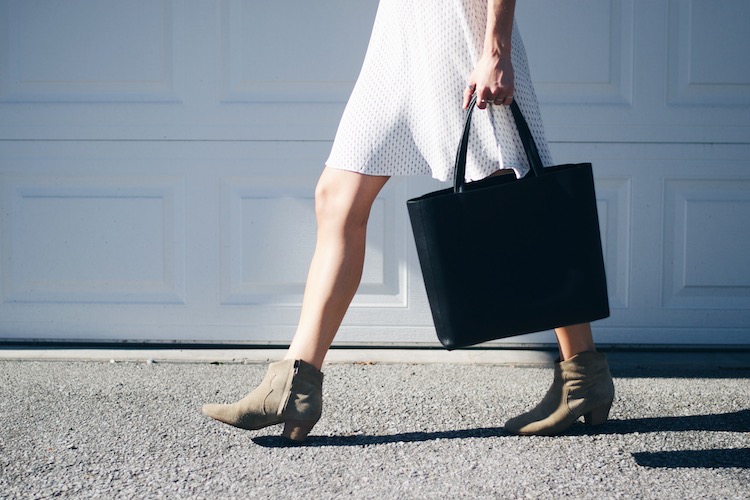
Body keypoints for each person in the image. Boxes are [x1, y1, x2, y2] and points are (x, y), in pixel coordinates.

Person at [202, 0, 615, 441]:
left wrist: (495, 47)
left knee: (514, 192)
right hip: (401, 30)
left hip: (460, 27)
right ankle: (294, 384)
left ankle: (582, 375)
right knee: (336, 195)